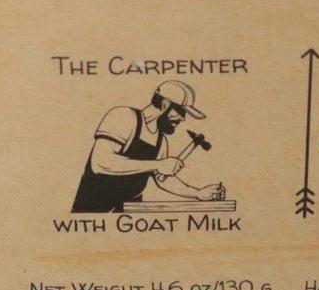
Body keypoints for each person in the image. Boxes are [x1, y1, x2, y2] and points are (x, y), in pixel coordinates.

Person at [70, 79, 224, 213]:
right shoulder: (123, 117)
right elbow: (101, 163)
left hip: (129, 210)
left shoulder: (161, 141)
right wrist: (157, 164)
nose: (182, 119)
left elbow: (163, 178)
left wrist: (197, 193)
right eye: (181, 112)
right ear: (165, 104)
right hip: (92, 208)